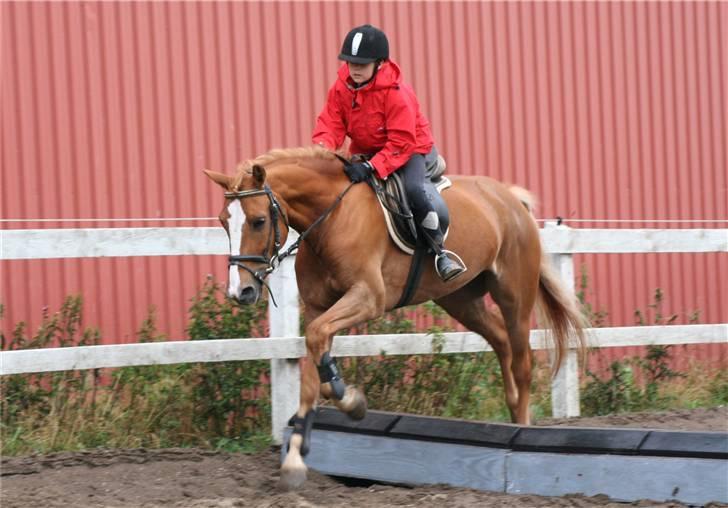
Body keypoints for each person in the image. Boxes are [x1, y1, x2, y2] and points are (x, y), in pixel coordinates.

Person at [312, 24, 466, 282]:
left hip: (410, 150)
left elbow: (401, 141)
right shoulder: (341, 89)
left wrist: (372, 167)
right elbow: (330, 124)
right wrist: (322, 152)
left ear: (380, 63)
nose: (355, 68)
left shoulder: (397, 93)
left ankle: (440, 253)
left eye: (362, 63)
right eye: (351, 63)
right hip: (366, 151)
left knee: (414, 190)